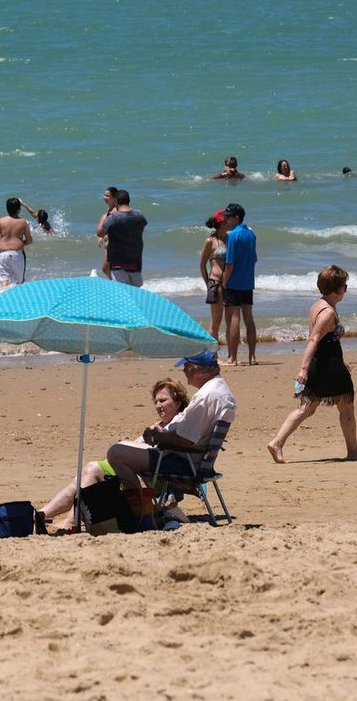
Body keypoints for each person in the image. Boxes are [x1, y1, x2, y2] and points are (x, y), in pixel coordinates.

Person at [36, 378, 190, 533]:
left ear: (178, 402)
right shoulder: (159, 425)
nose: (158, 405)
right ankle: (42, 515)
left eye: (163, 400)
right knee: (89, 471)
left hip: (151, 478)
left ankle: (62, 519)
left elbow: (169, 455)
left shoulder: (178, 425)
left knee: (92, 470)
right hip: (134, 472)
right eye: (156, 402)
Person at [267, 265, 357, 464]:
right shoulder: (327, 313)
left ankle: (277, 443)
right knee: (345, 406)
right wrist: (304, 369)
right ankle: (353, 451)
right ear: (336, 288)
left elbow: (326, 341)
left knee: (308, 407)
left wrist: (340, 363)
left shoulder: (319, 304)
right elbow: (314, 340)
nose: (346, 290)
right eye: (344, 286)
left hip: (326, 363)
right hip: (325, 366)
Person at [106, 350, 237, 511]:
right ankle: (145, 506)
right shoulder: (221, 390)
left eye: (186, 366)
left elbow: (185, 439)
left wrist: (157, 438)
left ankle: (143, 509)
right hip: (197, 460)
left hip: (184, 462)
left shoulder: (206, 396)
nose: (183, 370)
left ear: (195, 369)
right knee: (125, 446)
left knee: (116, 453)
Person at [220, 202, 258, 365]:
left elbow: (230, 263)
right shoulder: (251, 233)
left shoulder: (233, 235)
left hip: (234, 281)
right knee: (248, 318)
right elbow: (254, 258)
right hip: (248, 281)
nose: (226, 219)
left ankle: (233, 358)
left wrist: (225, 282)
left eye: (228, 217)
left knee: (233, 318)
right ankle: (252, 356)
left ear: (237, 217)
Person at [97, 188, 147, 287]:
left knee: (123, 294)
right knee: (135, 294)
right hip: (136, 263)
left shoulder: (113, 218)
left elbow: (100, 233)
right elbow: (142, 225)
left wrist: (104, 218)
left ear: (115, 201)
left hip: (118, 264)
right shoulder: (139, 215)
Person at [199, 209, 229, 347]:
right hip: (215, 283)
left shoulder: (230, 238)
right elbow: (202, 265)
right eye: (227, 220)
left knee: (230, 320)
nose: (230, 222)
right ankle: (213, 355)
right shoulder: (210, 241)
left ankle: (231, 355)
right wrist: (208, 284)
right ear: (221, 223)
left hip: (230, 284)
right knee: (216, 321)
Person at [0, 197, 32, 286]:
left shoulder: (1, 221)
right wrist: (21, 243)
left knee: (4, 280)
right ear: (19, 209)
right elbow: (29, 240)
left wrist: (1, 244)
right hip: (17, 254)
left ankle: (3, 295)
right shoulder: (23, 222)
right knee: (19, 281)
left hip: (3, 254)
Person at [97, 186, 119, 278]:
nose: (104, 197)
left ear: (114, 198)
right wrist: (101, 237)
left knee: (106, 268)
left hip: (112, 244)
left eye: (107, 196)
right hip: (107, 243)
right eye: (104, 195)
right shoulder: (109, 209)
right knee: (107, 269)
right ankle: (115, 283)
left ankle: (116, 284)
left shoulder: (116, 210)